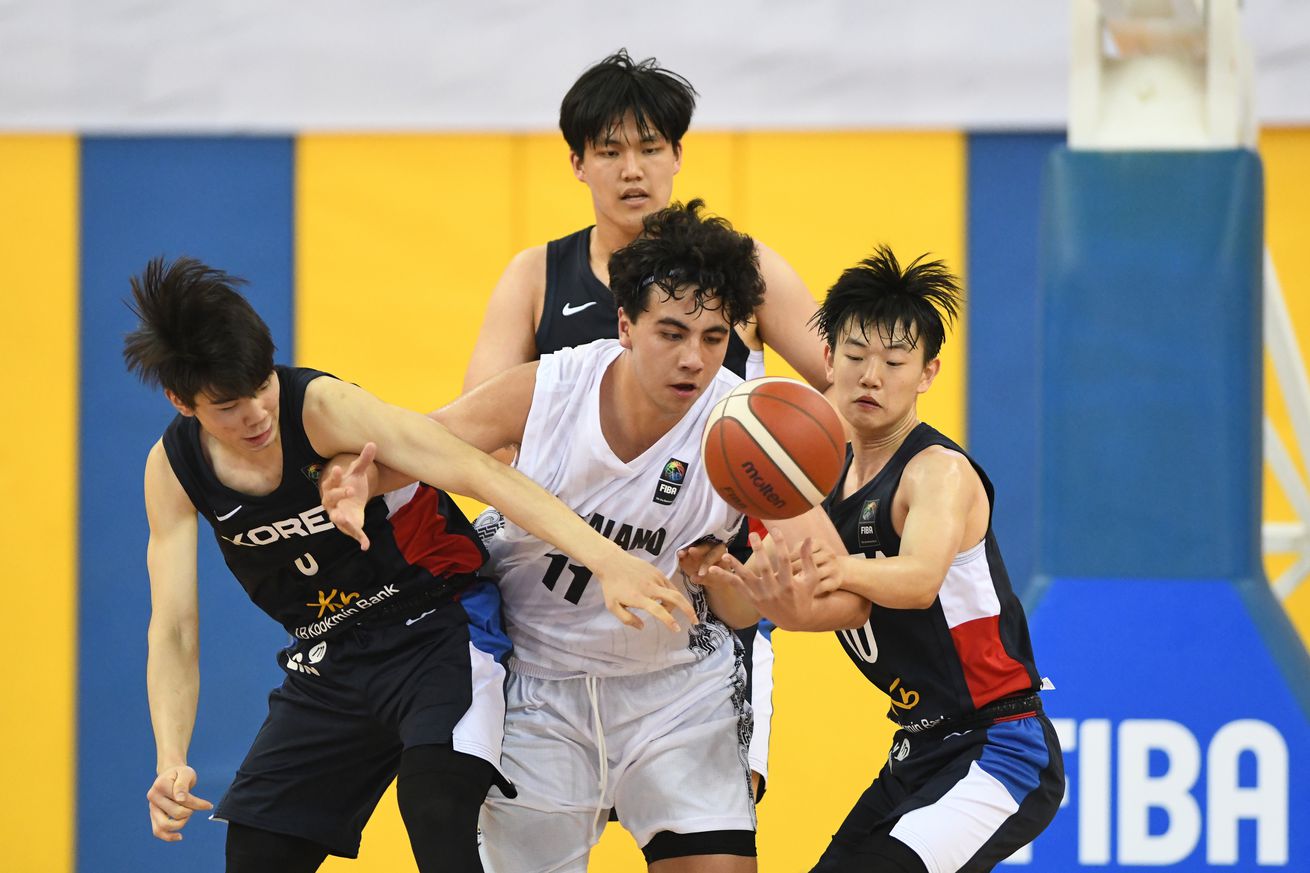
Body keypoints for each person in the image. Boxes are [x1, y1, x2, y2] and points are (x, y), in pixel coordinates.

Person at [124, 256, 686, 873]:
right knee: (258, 850)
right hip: (330, 654)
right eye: (229, 406)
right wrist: (170, 755)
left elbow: (479, 470)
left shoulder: (321, 407)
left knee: (436, 805)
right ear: (183, 402)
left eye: (261, 386)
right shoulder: (172, 471)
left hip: (439, 623)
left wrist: (609, 562)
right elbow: (173, 626)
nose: (256, 414)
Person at [325, 201, 766, 872]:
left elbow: (759, 607)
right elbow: (421, 443)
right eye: (672, 333)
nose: (693, 358)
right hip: (538, 684)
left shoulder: (746, 430)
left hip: (675, 687)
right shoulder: (552, 391)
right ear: (625, 324)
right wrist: (358, 479)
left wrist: (752, 589)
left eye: (712, 338)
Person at [464, 45, 825, 801]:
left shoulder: (744, 271)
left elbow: (847, 394)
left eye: (650, 148)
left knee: (713, 834)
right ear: (577, 163)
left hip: (700, 598)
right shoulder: (537, 276)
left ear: (678, 157)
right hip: (552, 604)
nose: (633, 169)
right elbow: (483, 439)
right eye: (610, 150)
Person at [705, 246, 1064, 873]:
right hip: (919, 748)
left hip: (1001, 747)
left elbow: (920, 581)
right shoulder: (815, 474)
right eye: (854, 356)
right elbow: (804, 606)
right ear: (828, 359)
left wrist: (830, 569)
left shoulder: (938, 474)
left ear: (927, 374)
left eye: (895, 362)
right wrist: (735, 582)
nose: (872, 376)